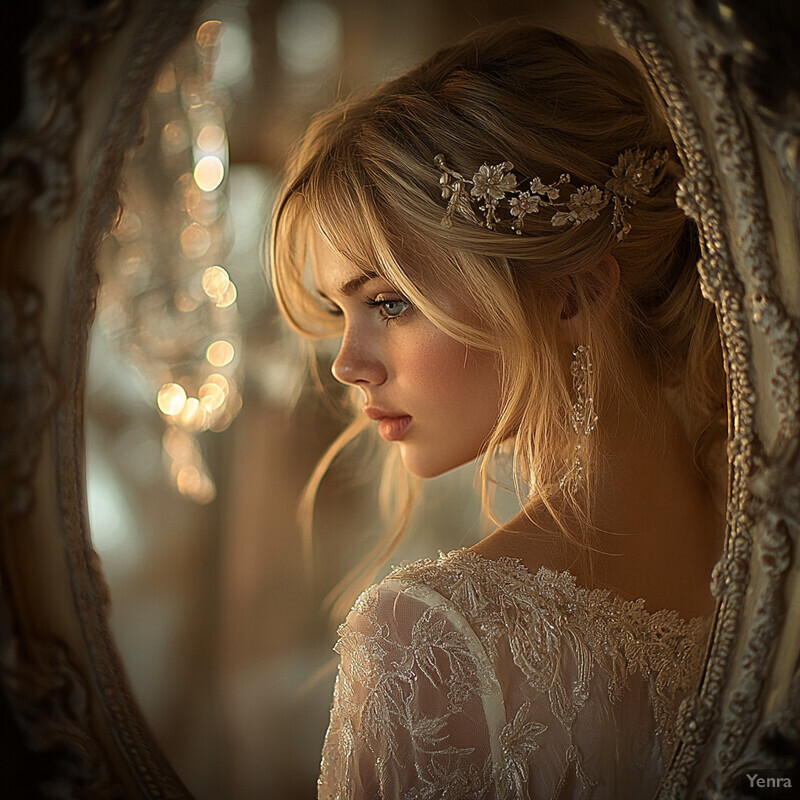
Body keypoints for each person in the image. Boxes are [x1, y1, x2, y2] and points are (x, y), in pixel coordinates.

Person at [270, 22, 727, 800]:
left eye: (388, 302)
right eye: (341, 312)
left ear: (570, 294)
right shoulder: (758, 534)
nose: (349, 364)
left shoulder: (427, 643)